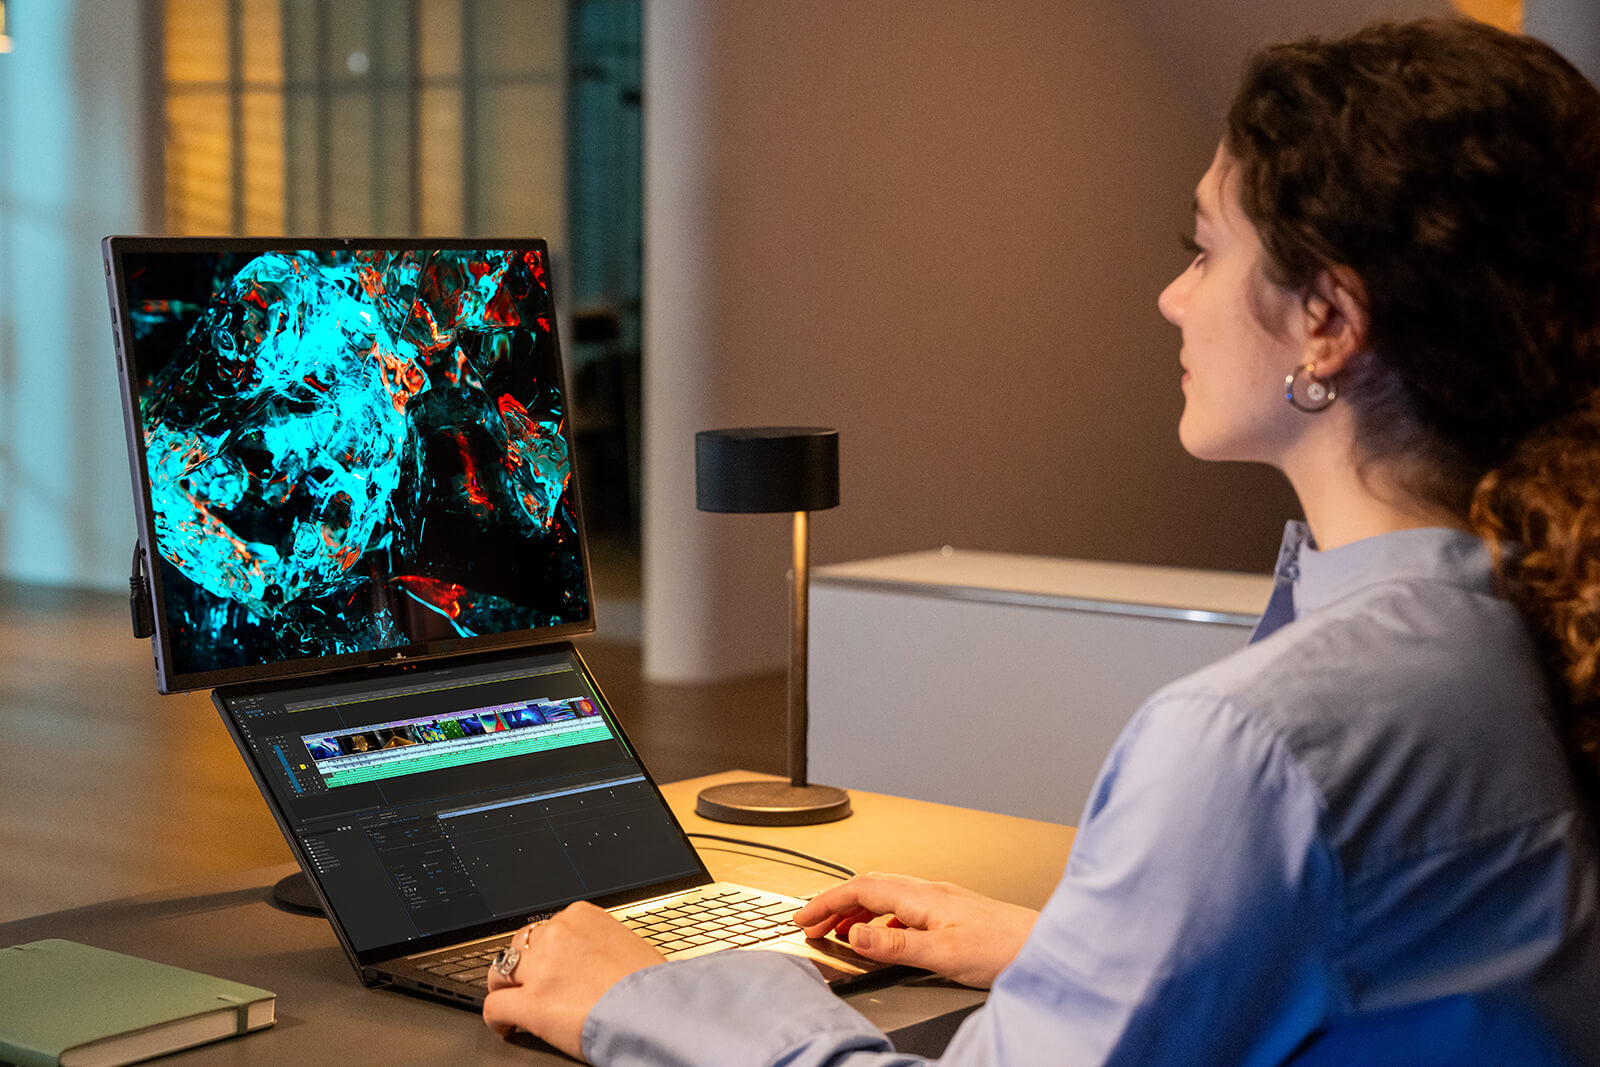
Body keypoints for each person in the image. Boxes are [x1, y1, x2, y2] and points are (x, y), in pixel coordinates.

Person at [481, 18, 1600, 1064]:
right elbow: (1398, 977)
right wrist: (1074, 947)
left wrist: (651, 994)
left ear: (1329, 321)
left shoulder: (1258, 739)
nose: (1170, 297)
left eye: (1202, 249)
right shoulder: (1529, 623)